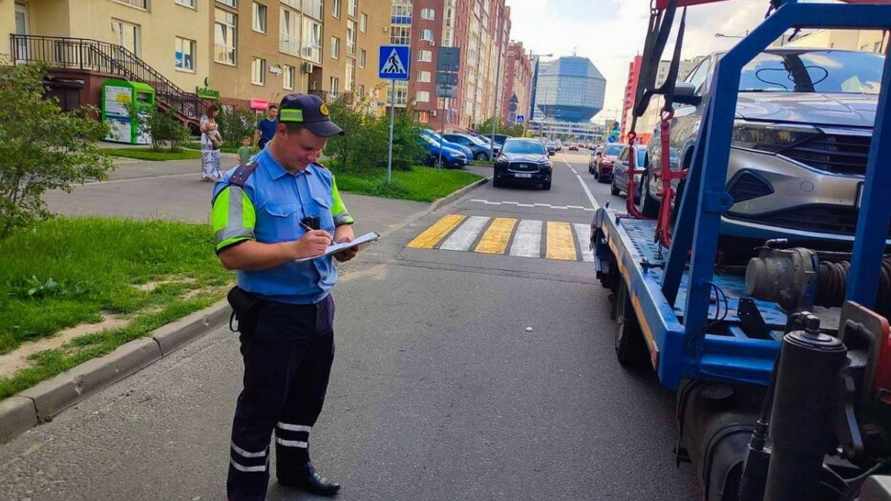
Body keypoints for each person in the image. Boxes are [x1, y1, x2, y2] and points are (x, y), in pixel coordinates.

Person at [211, 93, 358, 500]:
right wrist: (294, 249)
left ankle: (294, 471)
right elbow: (231, 253)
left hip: (318, 309)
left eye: (320, 149)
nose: (314, 156)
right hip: (272, 315)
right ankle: (246, 492)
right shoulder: (241, 183)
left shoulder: (320, 176)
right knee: (261, 409)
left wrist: (345, 240)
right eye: (307, 147)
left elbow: (342, 219)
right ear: (282, 131)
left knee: (306, 398)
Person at [200, 104, 223, 182]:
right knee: (207, 158)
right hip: (207, 140)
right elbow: (202, 129)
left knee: (214, 157)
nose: (217, 114)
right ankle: (206, 176)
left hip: (214, 140)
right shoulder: (204, 117)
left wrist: (219, 139)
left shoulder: (212, 119)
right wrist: (209, 129)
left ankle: (212, 175)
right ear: (212, 111)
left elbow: (215, 130)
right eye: (216, 112)